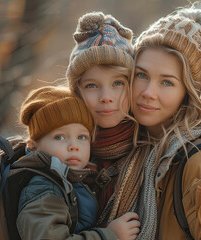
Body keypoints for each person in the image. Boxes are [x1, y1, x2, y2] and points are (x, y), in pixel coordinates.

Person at [108, 5, 201, 240]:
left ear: (188, 93)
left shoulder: (199, 161)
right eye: (142, 75)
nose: (148, 92)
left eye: (167, 82)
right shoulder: (134, 150)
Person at [17, 86, 140, 240]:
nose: (74, 146)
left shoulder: (70, 181)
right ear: (33, 146)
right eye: (60, 137)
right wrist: (109, 235)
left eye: (82, 137)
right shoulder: (44, 189)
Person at [65, 11, 141, 225]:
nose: (106, 98)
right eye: (92, 85)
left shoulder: (152, 147)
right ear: (77, 91)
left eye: (118, 83)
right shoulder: (58, 149)